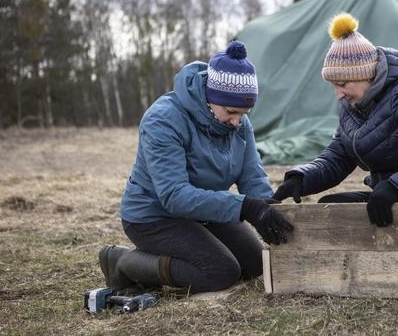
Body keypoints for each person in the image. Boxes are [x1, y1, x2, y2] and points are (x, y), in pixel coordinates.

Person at [99, 41, 293, 294]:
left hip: (203, 213)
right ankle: (123, 263)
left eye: (244, 113)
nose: (237, 122)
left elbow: (252, 175)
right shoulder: (163, 119)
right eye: (231, 112)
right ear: (211, 99)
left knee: (255, 263)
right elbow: (174, 196)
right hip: (154, 217)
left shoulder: (239, 123)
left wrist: (270, 209)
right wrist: (244, 207)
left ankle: (183, 250)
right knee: (220, 271)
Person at [273, 13, 398, 227]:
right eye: (334, 86)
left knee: (353, 217)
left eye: (343, 84)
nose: (338, 95)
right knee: (333, 206)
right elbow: (339, 156)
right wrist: (302, 179)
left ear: (367, 74)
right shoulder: (353, 104)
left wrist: (396, 186)